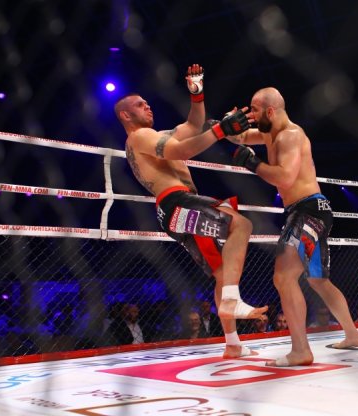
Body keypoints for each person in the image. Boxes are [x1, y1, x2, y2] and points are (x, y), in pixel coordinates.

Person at [114, 64, 267, 358]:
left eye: (146, 103)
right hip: (177, 202)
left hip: (178, 208)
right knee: (241, 225)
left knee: (222, 270)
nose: (147, 105)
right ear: (125, 115)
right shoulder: (140, 137)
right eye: (140, 104)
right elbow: (181, 151)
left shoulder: (157, 135)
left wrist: (197, 93)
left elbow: (193, 126)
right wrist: (221, 130)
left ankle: (232, 344)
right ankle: (232, 300)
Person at [229, 87, 358, 366]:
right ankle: (353, 335)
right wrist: (228, 124)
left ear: (270, 111)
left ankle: (301, 350)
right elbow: (239, 137)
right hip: (311, 210)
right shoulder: (269, 134)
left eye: (254, 110)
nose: (250, 115)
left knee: (283, 277)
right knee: (318, 280)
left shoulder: (290, 135)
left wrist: (253, 163)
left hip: (308, 210)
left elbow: (286, 178)